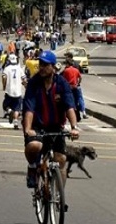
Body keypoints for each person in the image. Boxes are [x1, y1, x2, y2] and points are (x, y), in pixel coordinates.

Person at [22, 50, 80, 192]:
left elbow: (70, 106)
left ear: (53, 67)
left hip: (56, 127)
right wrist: (28, 129)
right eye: (40, 64)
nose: (41, 67)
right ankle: (32, 168)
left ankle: (58, 196)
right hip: (38, 126)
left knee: (61, 160)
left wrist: (74, 127)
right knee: (34, 146)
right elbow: (29, 108)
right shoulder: (33, 83)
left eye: (45, 65)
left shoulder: (62, 83)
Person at [1, 54, 26, 129]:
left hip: (9, 91)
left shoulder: (7, 69)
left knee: (5, 105)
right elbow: (24, 79)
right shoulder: (20, 69)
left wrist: (4, 85)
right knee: (17, 108)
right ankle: (15, 123)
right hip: (18, 91)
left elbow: (4, 77)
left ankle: (9, 111)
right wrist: (25, 86)